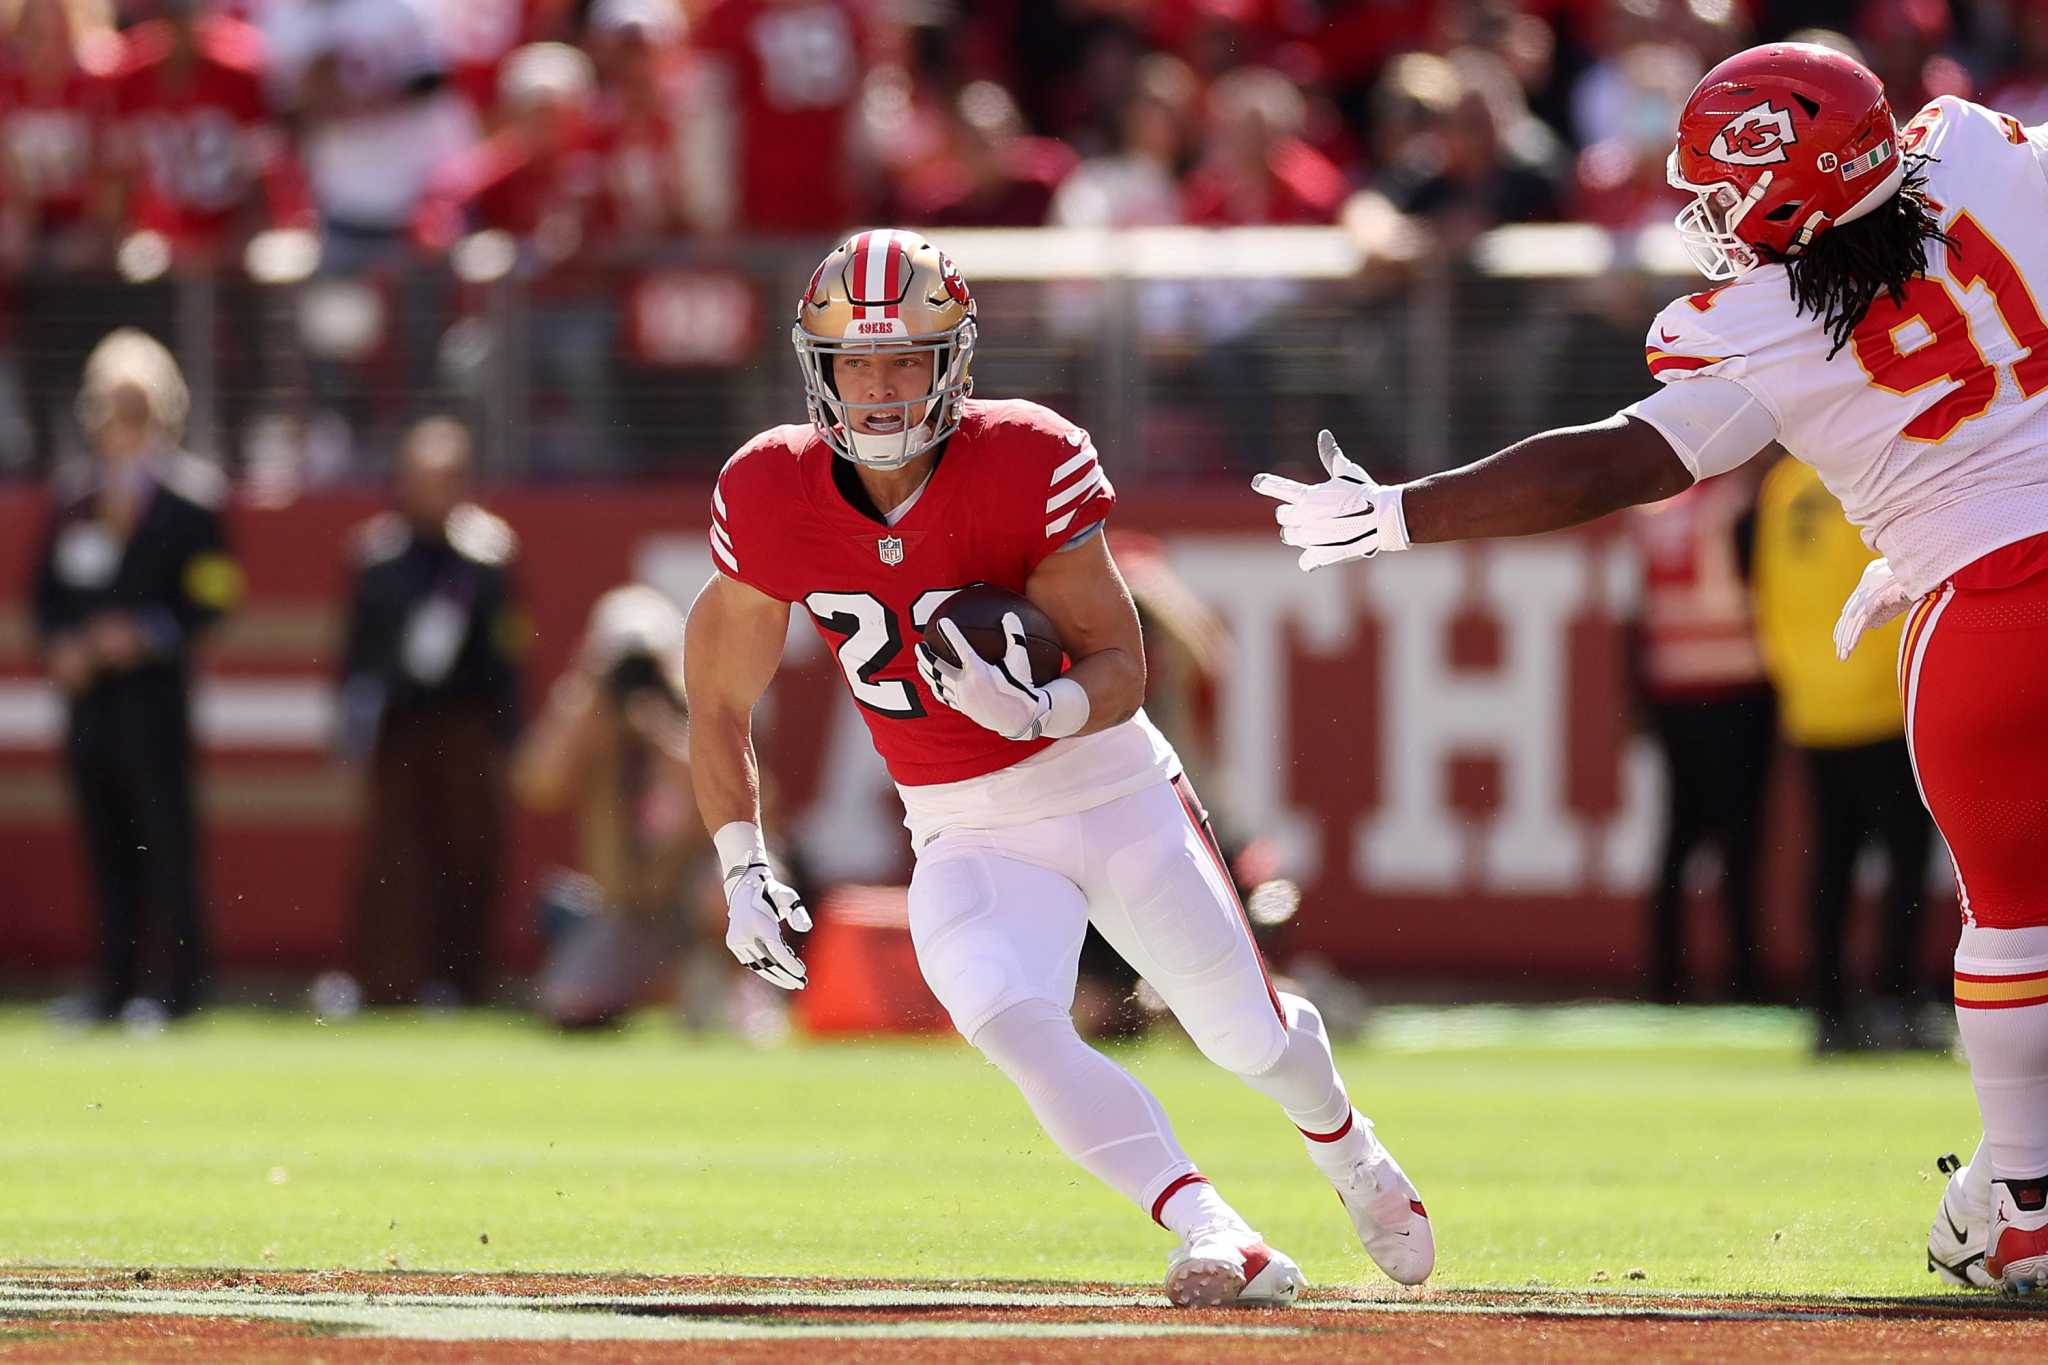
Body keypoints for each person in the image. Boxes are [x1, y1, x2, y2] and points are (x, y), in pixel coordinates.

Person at [1253, 43, 2048, 1294]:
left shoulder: (1765, 323)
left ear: (1783, 191)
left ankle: (2022, 1202)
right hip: (1989, 555)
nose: (1704, 220)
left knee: (2011, 922)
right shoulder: (1978, 148)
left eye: (1720, 193)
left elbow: (1614, 464)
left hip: (1989, 618)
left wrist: (1405, 513)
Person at [686, 230, 1431, 1309]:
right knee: (1011, 1021)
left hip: (1104, 786)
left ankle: (1348, 1148)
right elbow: (716, 696)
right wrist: (739, 861)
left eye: (905, 360)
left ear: (955, 364)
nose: (880, 387)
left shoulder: (1023, 455)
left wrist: (1045, 706)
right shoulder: (769, 488)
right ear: (819, 367)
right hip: (958, 823)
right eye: (856, 361)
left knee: (1244, 1036)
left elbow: (1123, 662)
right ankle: (1209, 1225)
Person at [30, 328, 241, 1026]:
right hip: (92, 702)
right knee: (105, 842)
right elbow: (46, 596)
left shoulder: (194, 499)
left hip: (154, 698)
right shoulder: (74, 499)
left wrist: (146, 634)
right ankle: (113, 985)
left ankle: (178, 989)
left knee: (166, 842)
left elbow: (213, 599)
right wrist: (63, 646)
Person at [335, 415, 521, 1007]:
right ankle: (383, 982)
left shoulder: (489, 558)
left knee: (468, 856)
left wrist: (507, 735)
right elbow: (356, 654)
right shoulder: (375, 557)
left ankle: (462, 982)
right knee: (393, 861)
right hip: (400, 728)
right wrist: (350, 727)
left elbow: (509, 651)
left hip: (465, 729)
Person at [1752, 455, 1935, 1053]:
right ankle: (1896, 1002)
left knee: (1831, 860)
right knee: (1905, 859)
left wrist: (1796, 680)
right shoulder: (1879, 469)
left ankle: (1829, 1011)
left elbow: (1766, 592)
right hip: (1883, 700)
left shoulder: (1783, 488)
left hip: (1812, 700)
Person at [513, 584, 709, 1030]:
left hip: (693, 905)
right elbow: (535, 787)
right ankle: (657, 993)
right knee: (571, 1002)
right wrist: (587, 693)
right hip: (625, 909)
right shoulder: (591, 724)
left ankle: (725, 986)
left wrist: (666, 733)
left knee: (720, 897)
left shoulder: (700, 714)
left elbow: (749, 807)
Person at [1628, 472, 1773, 1005]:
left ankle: (1667, 976)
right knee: (1740, 839)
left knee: (1677, 838)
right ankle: (1744, 976)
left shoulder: (1659, 507)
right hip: (1736, 684)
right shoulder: (1733, 503)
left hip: (1671, 688)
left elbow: (1638, 613)